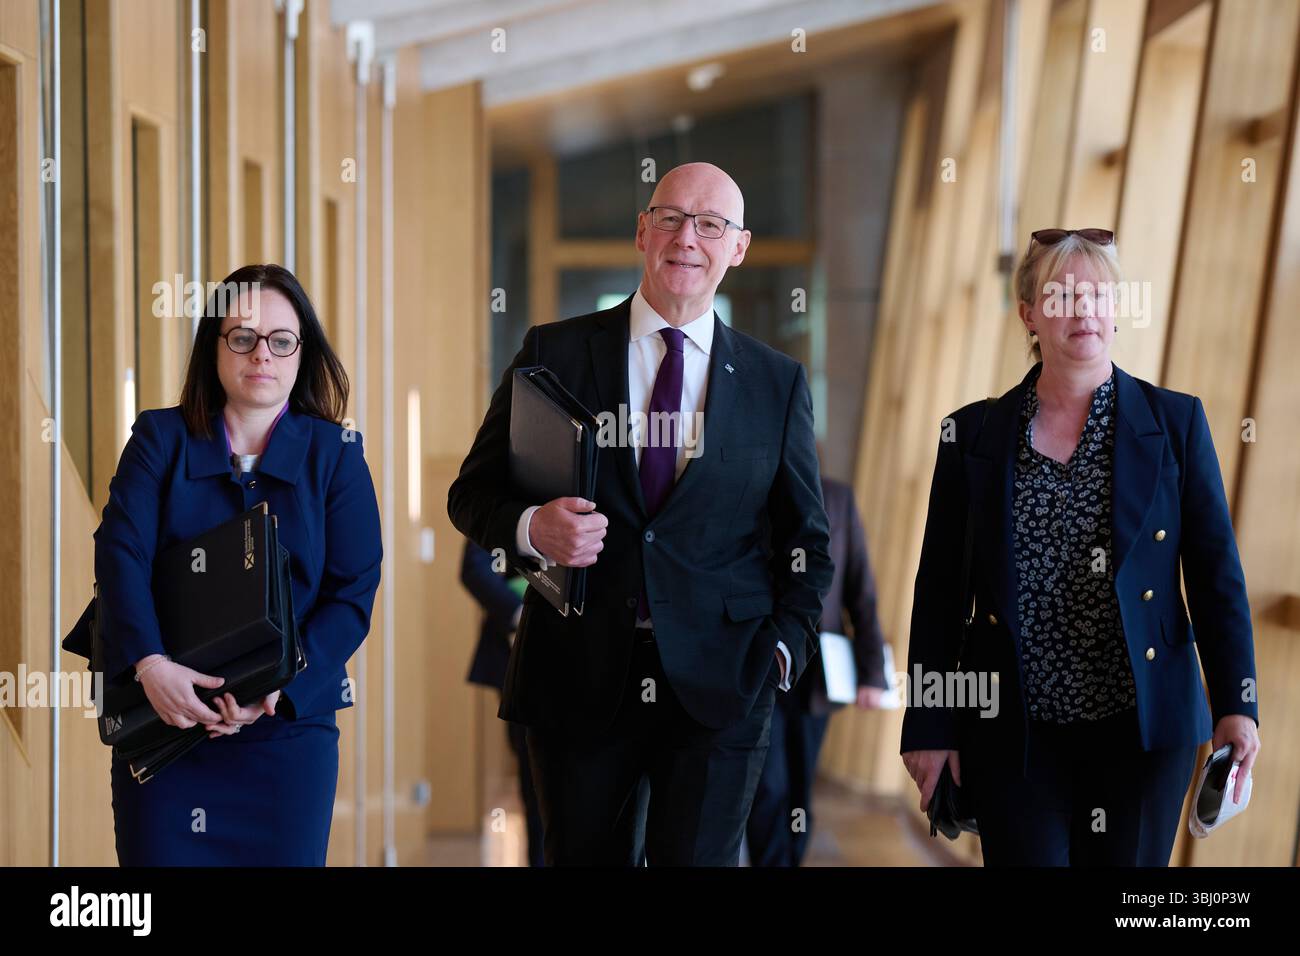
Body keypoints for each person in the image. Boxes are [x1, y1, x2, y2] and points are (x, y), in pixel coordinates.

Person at [448, 162, 833, 865]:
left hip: (722, 685)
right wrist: (534, 528)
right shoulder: (553, 352)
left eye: (710, 224)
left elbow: (807, 540)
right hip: (579, 678)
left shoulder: (777, 383)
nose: (687, 238)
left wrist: (781, 650)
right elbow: (471, 494)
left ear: (737, 247)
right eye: (670, 218)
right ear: (641, 231)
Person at [900, 228, 1261, 866]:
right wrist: (930, 724)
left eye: (1096, 294)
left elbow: (1214, 576)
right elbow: (938, 595)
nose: (1082, 310)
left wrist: (1238, 704)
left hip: (1143, 729)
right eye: (1061, 295)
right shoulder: (971, 433)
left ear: (1117, 308)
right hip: (1014, 730)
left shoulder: (1175, 422)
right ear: (1029, 313)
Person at [95, 263, 382, 865]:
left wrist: (279, 689)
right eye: (242, 337)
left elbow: (352, 591)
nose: (263, 355)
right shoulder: (158, 439)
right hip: (165, 728)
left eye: (281, 341)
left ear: (302, 351)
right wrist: (150, 665)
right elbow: (121, 555)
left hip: (286, 737)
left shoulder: (336, 455)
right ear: (215, 346)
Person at [747, 472, 888, 866]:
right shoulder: (756, 489)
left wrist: (873, 671)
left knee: (799, 784)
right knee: (767, 783)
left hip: (817, 673)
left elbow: (861, 588)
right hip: (763, 666)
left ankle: (789, 859)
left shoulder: (838, 497)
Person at [460, 539, 546, 866]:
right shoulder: (509, 489)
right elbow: (475, 568)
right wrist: (521, 616)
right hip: (522, 658)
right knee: (537, 783)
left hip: (601, 658)